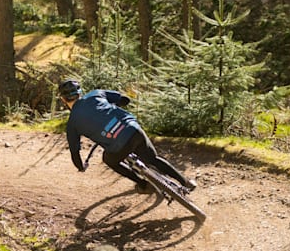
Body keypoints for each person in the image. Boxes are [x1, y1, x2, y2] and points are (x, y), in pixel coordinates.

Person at [58, 79, 196, 194]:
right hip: (132, 129)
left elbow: (75, 152)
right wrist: (113, 105)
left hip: (117, 146)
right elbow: (125, 99)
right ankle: (185, 181)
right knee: (153, 159)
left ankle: (143, 184)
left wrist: (80, 166)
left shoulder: (72, 123)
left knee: (109, 160)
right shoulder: (95, 94)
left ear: (63, 100)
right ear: (80, 92)